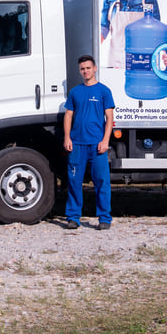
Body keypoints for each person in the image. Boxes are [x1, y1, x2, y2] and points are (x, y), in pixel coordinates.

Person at [63, 55, 115, 230]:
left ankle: (104, 218)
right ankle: (73, 217)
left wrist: (105, 140)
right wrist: (67, 137)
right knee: (74, 181)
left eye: (88, 68)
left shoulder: (104, 91)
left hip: (97, 145)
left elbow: (109, 118)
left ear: (95, 69)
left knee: (101, 181)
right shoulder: (75, 92)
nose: (85, 71)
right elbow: (68, 115)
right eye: (82, 69)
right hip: (77, 144)